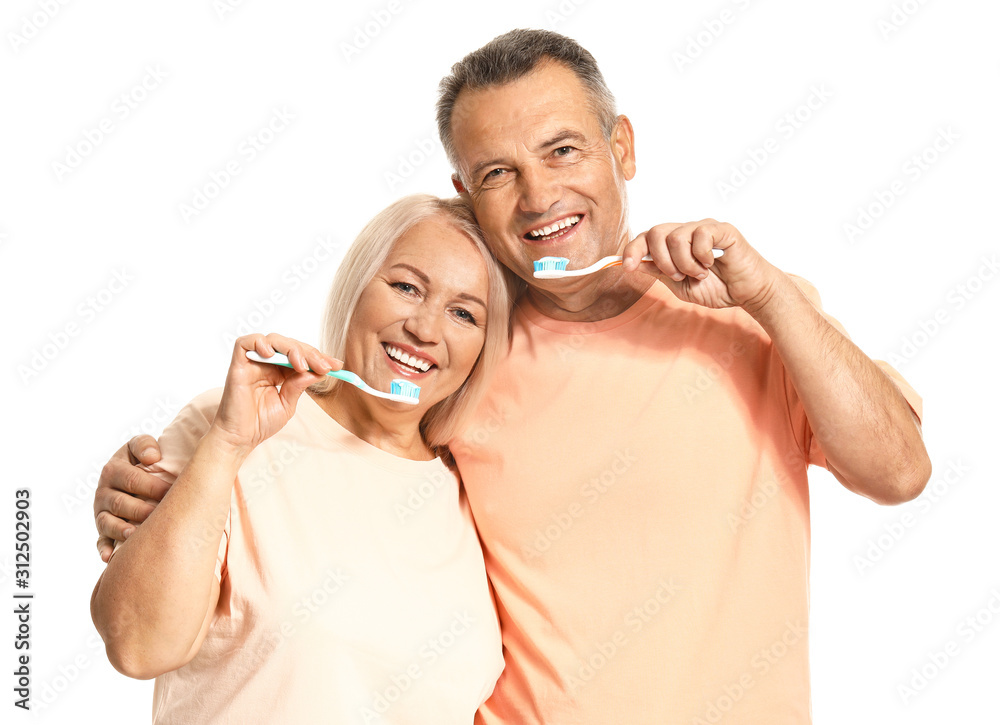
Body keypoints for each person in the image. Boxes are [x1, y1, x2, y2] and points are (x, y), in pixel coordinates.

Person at [94, 30, 931, 723]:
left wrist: (769, 294)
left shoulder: (753, 315)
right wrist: (177, 473)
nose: (538, 196)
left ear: (622, 148)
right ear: (465, 190)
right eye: (497, 172)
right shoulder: (461, 361)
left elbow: (899, 470)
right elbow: (336, 451)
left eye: (562, 150)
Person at [90, 194, 512, 723]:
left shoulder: (472, 489)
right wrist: (225, 445)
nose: (425, 329)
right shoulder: (233, 425)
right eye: (406, 287)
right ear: (356, 284)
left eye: (463, 313)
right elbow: (138, 645)